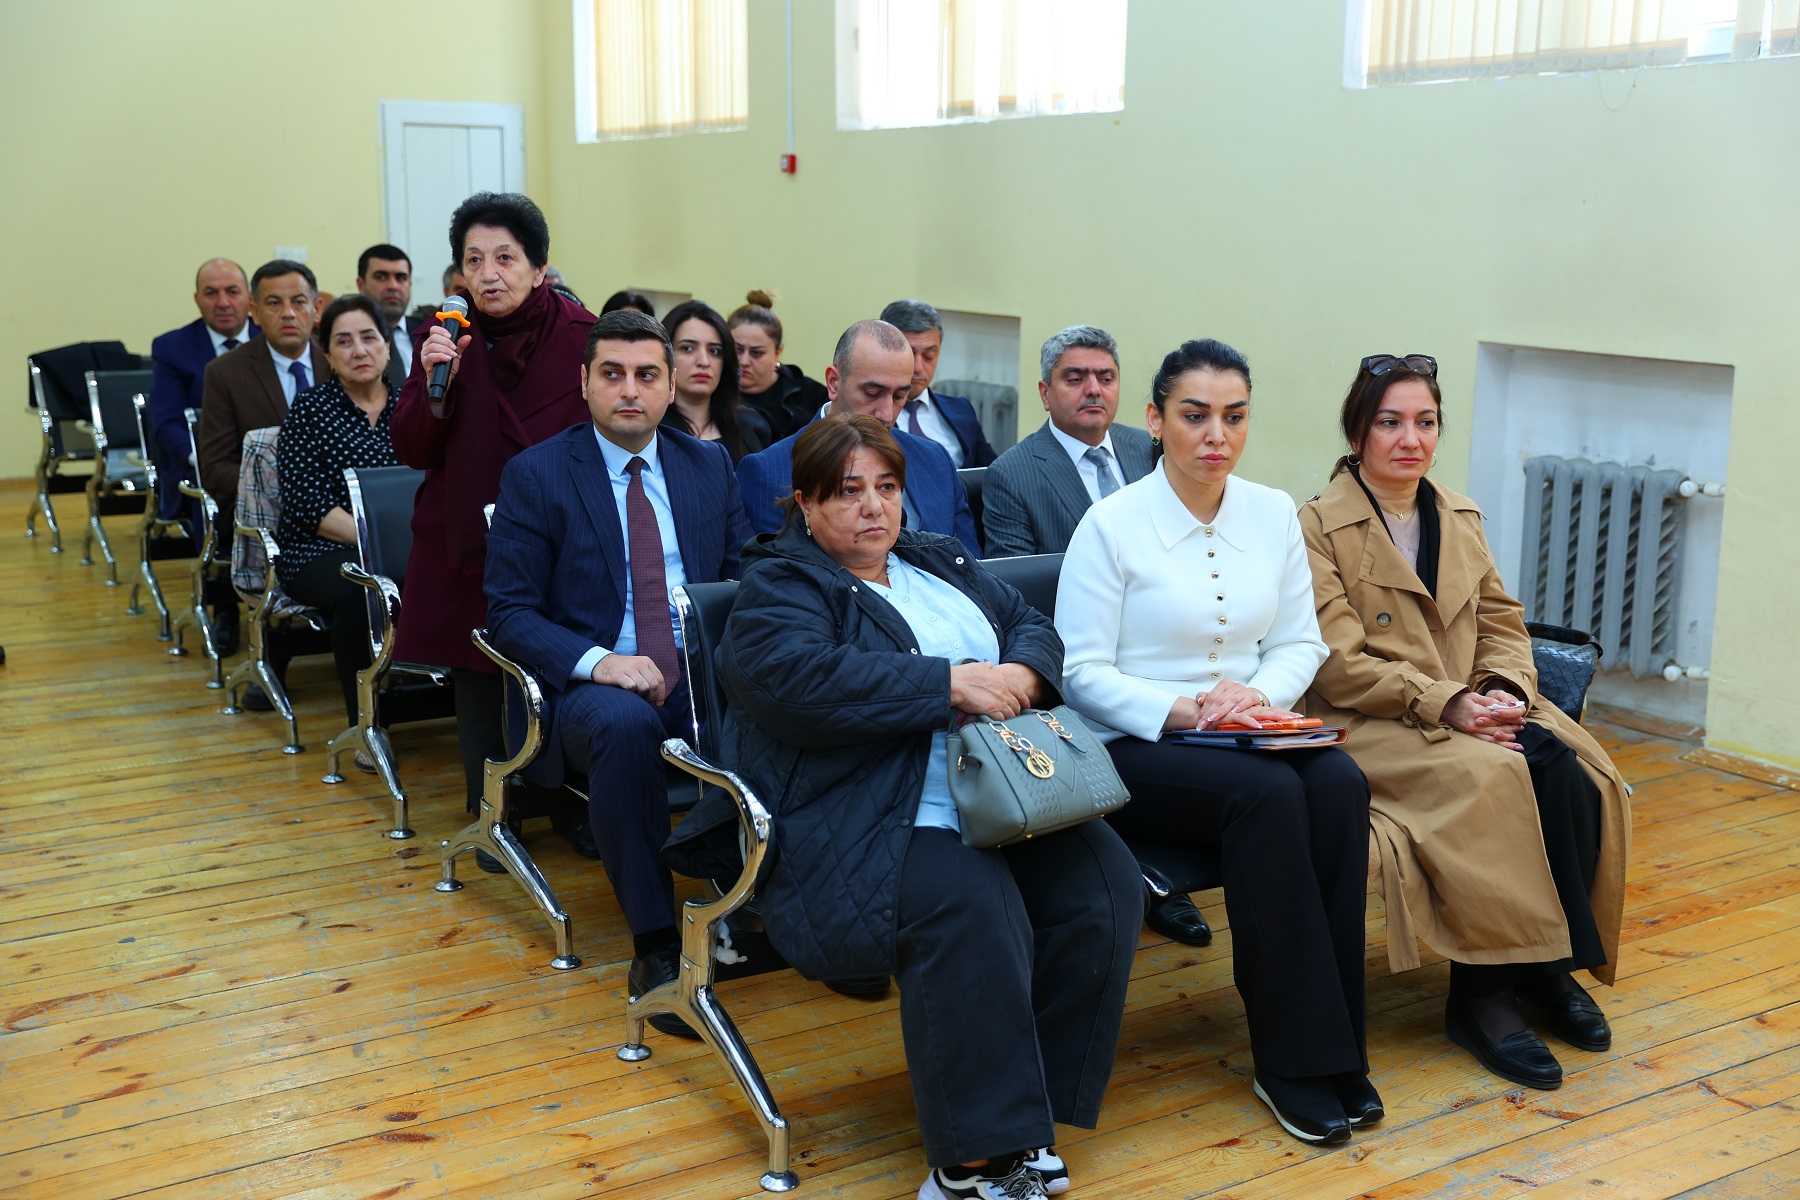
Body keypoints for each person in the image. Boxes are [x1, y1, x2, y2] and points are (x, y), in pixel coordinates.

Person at [708, 412, 1139, 1200]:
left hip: (1001, 786)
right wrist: (948, 684)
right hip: (869, 808)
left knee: (1102, 888)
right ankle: (974, 1162)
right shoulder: (782, 584)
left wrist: (1022, 677)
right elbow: (796, 679)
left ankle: (1026, 1116)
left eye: (887, 487)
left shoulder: (934, 557)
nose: (873, 507)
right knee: (970, 908)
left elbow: (1030, 625)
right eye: (848, 492)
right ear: (806, 504)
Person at [1056, 338, 1378, 1147]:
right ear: (1154, 419)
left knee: (1340, 784)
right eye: (1195, 416)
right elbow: (1081, 674)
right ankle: (1291, 1061)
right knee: (1270, 798)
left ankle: (1338, 1041)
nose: (1216, 436)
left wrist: (1255, 697)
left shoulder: (1271, 511)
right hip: (1136, 743)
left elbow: (1300, 643)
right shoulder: (1111, 525)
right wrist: (1188, 711)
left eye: (1234, 417)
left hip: (1244, 729)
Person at [1300, 353, 1631, 1091]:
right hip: (1371, 718)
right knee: (1495, 778)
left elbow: (1504, 624)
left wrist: (1502, 690)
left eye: (1425, 422)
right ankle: (1481, 996)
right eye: (1390, 422)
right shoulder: (1316, 526)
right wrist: (1444, 703)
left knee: (1575, 773)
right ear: (1357, 433)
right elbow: (1336, 664)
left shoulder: (1458, 513)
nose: (1410, 439)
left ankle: (1547, 967)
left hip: (1469, 703)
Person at [485, 309, 751, 1036]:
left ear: (670, 387)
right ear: (585, 383)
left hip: (701, 679)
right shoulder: (537, 474)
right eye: (612, 374)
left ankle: (797, 910)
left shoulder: (708, 466)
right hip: (589, 690)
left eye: (646, 375)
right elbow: (509, 613)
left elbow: (738, 582)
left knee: (799, 701)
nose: (629, 390)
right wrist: (603, 663)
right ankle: (656, 943)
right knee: (627, 725)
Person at [391, 191, 595, 833]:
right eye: (474, 260)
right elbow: (412, 446)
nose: (488, 274)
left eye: (505, 258)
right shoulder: (444, 338)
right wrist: (437, 386)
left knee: (565, 666)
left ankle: (576, 807)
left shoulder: (583, 337)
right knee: (480, 676)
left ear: (539, 268)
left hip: (562, 533)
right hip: (466, 536)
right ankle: (490, 817)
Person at [736, 320, 981, 557]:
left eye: (899, 396)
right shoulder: (768, 471)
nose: (887, 414)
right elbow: (771, 574)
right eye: (872, 393)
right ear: (833, 383)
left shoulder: (935, 460)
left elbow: (973, 568)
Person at [274, 295, 403, 733]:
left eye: (369, 338)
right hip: (319, 550)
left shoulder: (413, 407)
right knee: (360, 591)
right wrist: (379, 548)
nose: (359, 350)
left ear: (387, 346)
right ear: (327, 356)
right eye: (344, 342)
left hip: (406, 545)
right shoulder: (309, 410)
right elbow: (307, 502)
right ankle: (366, 723)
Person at [982, 325, 1154, 557]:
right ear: (1045, 394)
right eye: (1075, 379)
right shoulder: (1011, 475)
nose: (1094, 390)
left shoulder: (1148, 446)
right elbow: (1016, 575)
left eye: (1106, 379)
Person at [148, 258, 258, 519]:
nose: (223, 303)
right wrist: (201, 460)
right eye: (211, 293)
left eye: (232, 291)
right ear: (197, 300)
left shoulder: (270, 340)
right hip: (200, 466)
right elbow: (166, 424)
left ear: (250, 298)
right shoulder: (173, 349)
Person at [879, 299, 998, 468]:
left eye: (929, 357)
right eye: (909, 355)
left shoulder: (962, 410)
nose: (918, 368)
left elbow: (992, 471)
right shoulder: (872, 413)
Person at [658, 300, 770, 464]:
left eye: (714, 351)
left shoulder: (751, 426)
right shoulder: (650, 430)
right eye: (687, 348)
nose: (704, 361)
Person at [728, 290, 827, 440]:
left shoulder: (812, 397)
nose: (744, 361)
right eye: (737, 350)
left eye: (756, 353)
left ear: (777, 352)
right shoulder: (713, 395)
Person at [355, 243, 419, 391]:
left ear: (409, 284)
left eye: (401, 278)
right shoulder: (347, 339)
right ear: (361, 284)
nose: (393, 286)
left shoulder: (429, 331)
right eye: (381, 277)